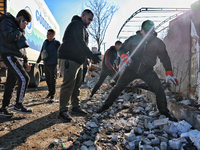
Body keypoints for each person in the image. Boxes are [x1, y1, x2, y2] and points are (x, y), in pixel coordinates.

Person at [96, 20, 179, 121]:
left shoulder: (158, 43)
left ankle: (164, 113)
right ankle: (105, 107)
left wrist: (169, 71)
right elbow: (121, 49)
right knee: (118, 87)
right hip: (131, 69)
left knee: (159, 90)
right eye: (146, 31)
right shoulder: (133, 39)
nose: (149, 34)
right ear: (141, 30)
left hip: (147, 71)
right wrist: (123, 55)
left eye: (151, 32)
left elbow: (164, 57)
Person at [58, 9, 101, 122]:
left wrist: (88, 58)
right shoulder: (77, 24)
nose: (90, 22)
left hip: (77, 61)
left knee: (77, 85)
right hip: (69, 59)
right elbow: (80, 42)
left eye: (91, 20)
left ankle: (75, 107)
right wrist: (91, 55)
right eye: (89, 19)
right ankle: (63, 111)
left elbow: (81, 45)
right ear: (83, 16)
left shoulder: (82, 28)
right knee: (68, 84)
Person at [0, 9, 32, 117]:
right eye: (25, 22)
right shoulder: (7, 21)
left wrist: (26, 60)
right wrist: (20, 29)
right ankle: (18, 105)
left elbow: (22, 46)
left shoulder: (18, 28)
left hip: (16, 56)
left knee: (11, 83)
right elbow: (8, 37)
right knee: (24, 78)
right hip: (9, 55)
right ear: (21, 18)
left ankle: (3, 109)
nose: (26, 25)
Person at [36, 29, 60, 103]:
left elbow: (62, 52)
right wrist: (37, 62)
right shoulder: (45, 43)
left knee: (53, 80)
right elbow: (41, 52)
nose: (47, 35)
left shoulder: (57, 43)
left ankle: (52, 95)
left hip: (53, 64)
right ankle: (50, 92)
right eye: (47, 34)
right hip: (46, 64)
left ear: (53, 35)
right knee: (48, 79)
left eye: (49, 34)